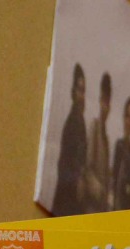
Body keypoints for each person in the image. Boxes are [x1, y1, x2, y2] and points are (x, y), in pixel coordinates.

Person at [50, 64, 86, 216]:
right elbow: (63, 165)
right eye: (79, 90)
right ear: (73, 92)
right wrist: (77, 180)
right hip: (65, 198)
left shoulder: (81, 122)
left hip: (74, 199)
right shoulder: (71, 123)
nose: (82, 96)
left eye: (84, 91)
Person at [83, 72, 112, 213]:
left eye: (108, 102)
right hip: (90, 205)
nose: (105, 107)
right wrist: (98, 188)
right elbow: (87, 168)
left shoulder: (106, 139)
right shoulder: (94, 127)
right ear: (100, 101)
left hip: (101, 208)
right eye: (103, 101)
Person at [110, 97, 130, 210]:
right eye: (127, 116)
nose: (128, 122)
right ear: (123, 117)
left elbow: (129, 198)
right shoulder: (117, 145)